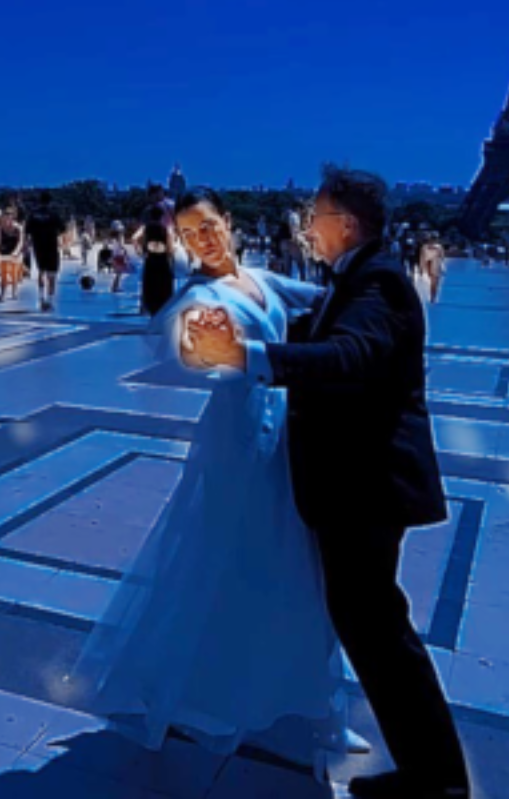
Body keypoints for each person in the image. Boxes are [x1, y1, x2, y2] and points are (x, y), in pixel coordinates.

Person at [183, 167, 471, 799]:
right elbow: (320, 326)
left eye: (314, 215)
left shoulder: (381, 284)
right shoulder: (362, 279)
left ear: (346, 223)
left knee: (381, 634)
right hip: (355, 485)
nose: (306, 227)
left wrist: (245, 356)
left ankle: (440, 783)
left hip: (365, 488)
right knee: (374, 630)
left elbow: (348, 357)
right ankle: (431, 775)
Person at [73, 188, 349, 771]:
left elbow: (327, 299)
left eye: (211, 226)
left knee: (295, 565)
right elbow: (188, 351)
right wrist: (213, 354)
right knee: (237, 560)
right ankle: (223, 692)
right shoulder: (195, 297)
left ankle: (313, 702)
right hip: (238, 443)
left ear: (229, 224)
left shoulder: (262, 279)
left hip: (281, 438)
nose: (204, 238)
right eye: (190, 230)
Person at [24, 191, 67, 311]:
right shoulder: (53, 214)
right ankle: (50, 300)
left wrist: (26, 245)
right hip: (51, 246)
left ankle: (41, 298)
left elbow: (27, 231)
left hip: (38, 247)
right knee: (52, 275)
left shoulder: (33, 214)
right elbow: (63, 229)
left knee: (41, 272)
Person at [0, 209, 24, 302]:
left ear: (12, 217)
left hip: (15, 252)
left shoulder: (18, 227)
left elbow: (20, 241)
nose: (7, 218)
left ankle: (14, 292)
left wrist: (15, 252)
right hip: (4, 251)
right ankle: (3, 293)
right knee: (3, 274)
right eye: (5, 216)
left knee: (14, 274)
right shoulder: (0, 228)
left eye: (9, 216)